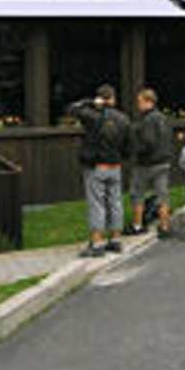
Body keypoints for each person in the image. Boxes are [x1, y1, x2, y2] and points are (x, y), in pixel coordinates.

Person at [65, 84, 131, 257]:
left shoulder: (92, 116)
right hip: (115, 166)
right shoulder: (124, 119)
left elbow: (72, 109)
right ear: (114, 99)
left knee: (97, 204)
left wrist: (89, 102)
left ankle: (96, 243)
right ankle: (116, 240)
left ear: (100, 99)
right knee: (115, 203)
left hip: (97, 167)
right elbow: (128, 147)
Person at [127, 87, 175, 238]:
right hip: (164, 161)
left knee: (137, 194)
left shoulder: (147, 119)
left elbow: (148, 142)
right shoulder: (163, 118)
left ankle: (137, 225)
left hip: (147, 163)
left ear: (148, 102)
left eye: (139, 101)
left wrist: (135, 150)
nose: (137, 105)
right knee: (162, 195)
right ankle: (165, 227)